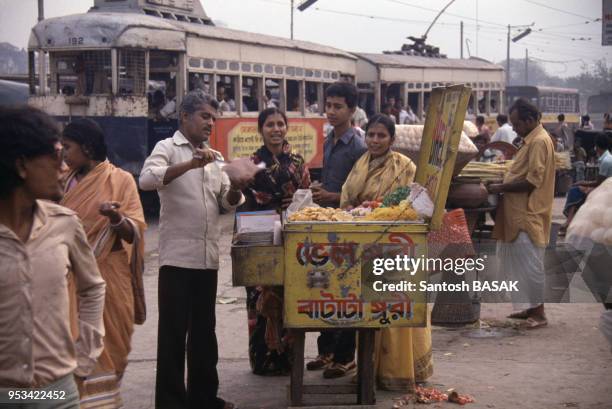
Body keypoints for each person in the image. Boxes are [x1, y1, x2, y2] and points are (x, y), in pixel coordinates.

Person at [140, 90, 249, 409]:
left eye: (213, 118)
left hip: (207, 259)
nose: (210, 123)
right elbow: (146, 180)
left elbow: (224, 203)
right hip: (176, 258)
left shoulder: (214, 157)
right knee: (173, 334)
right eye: (204, 116)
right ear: (184, 117)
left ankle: (203, 397)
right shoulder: (168, 148)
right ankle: (171, 402)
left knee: (205, 332)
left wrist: (237, 190)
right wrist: (188, 164)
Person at [0, 106, 106, 407]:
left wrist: (84, 360)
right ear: (21, 165)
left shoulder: (64, 224)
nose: (64, 169)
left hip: (56, 391)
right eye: (57, 157)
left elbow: (93, 287)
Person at [339, 114, 430, 391]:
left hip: (396, 244)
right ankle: (370, 369)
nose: (375, 140)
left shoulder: (405, 167)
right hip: (364, 244)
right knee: (368, 309)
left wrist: (381, 210)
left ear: (392, 139)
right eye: (371, 135)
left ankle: (398, 372)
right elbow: (347, 198)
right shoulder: (361, 162)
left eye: (381, 136)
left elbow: (416, 204)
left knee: (394, 310)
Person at [60, 118, 146, 408]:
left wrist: (115, 218)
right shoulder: (62, 181)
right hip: (68, 282)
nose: (63, 154)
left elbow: (134, 231)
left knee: (113, 350)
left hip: (111, 279)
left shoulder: (120, 180)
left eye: (68, 147)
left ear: (86, 147)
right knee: (73, 354)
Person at [242, 108, 311, 376]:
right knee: (259, 297)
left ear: (286, 128)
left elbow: (307, 199)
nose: (276, 129)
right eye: (270, 124)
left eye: (281, 124)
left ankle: (288, 358)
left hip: (290, 238)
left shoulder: (297, 161)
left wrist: (294, 200)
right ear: (261, 130)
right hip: (258, 236)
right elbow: (241, 200)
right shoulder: (251, 163)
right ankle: (262, 358)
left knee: (289, 295)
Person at [309, 82, 367, 379]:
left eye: (338, 106)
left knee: (346, 292)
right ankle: (327, 349)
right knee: (324, 287)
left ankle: (346, 356)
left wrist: (332, 197)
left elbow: (361, 195)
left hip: (348, 229)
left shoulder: (358, 146)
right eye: (328, 105)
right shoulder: (330, 139)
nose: (331, 112)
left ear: (352, 110)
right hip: (329, 224)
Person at [488, 99, 555, 329]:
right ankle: (528, 308)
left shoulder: (538, 141)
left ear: (530, 120)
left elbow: (531, 181)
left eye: (517, 123)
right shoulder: (530, 140)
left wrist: (500, 188)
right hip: (518, 213)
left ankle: (539, 313)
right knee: (518, 264)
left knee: (530, 265)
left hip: (528, 213)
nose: (514, 128)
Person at [561, 134, 612, 234]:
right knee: (577, 190)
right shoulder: (607, 158)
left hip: (605, 191)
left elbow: (598, 183)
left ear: (596, 146)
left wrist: (583, 183)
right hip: (604, 188)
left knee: (574, 190)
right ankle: (569, 222)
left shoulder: (606, 161)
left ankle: (569, 222)